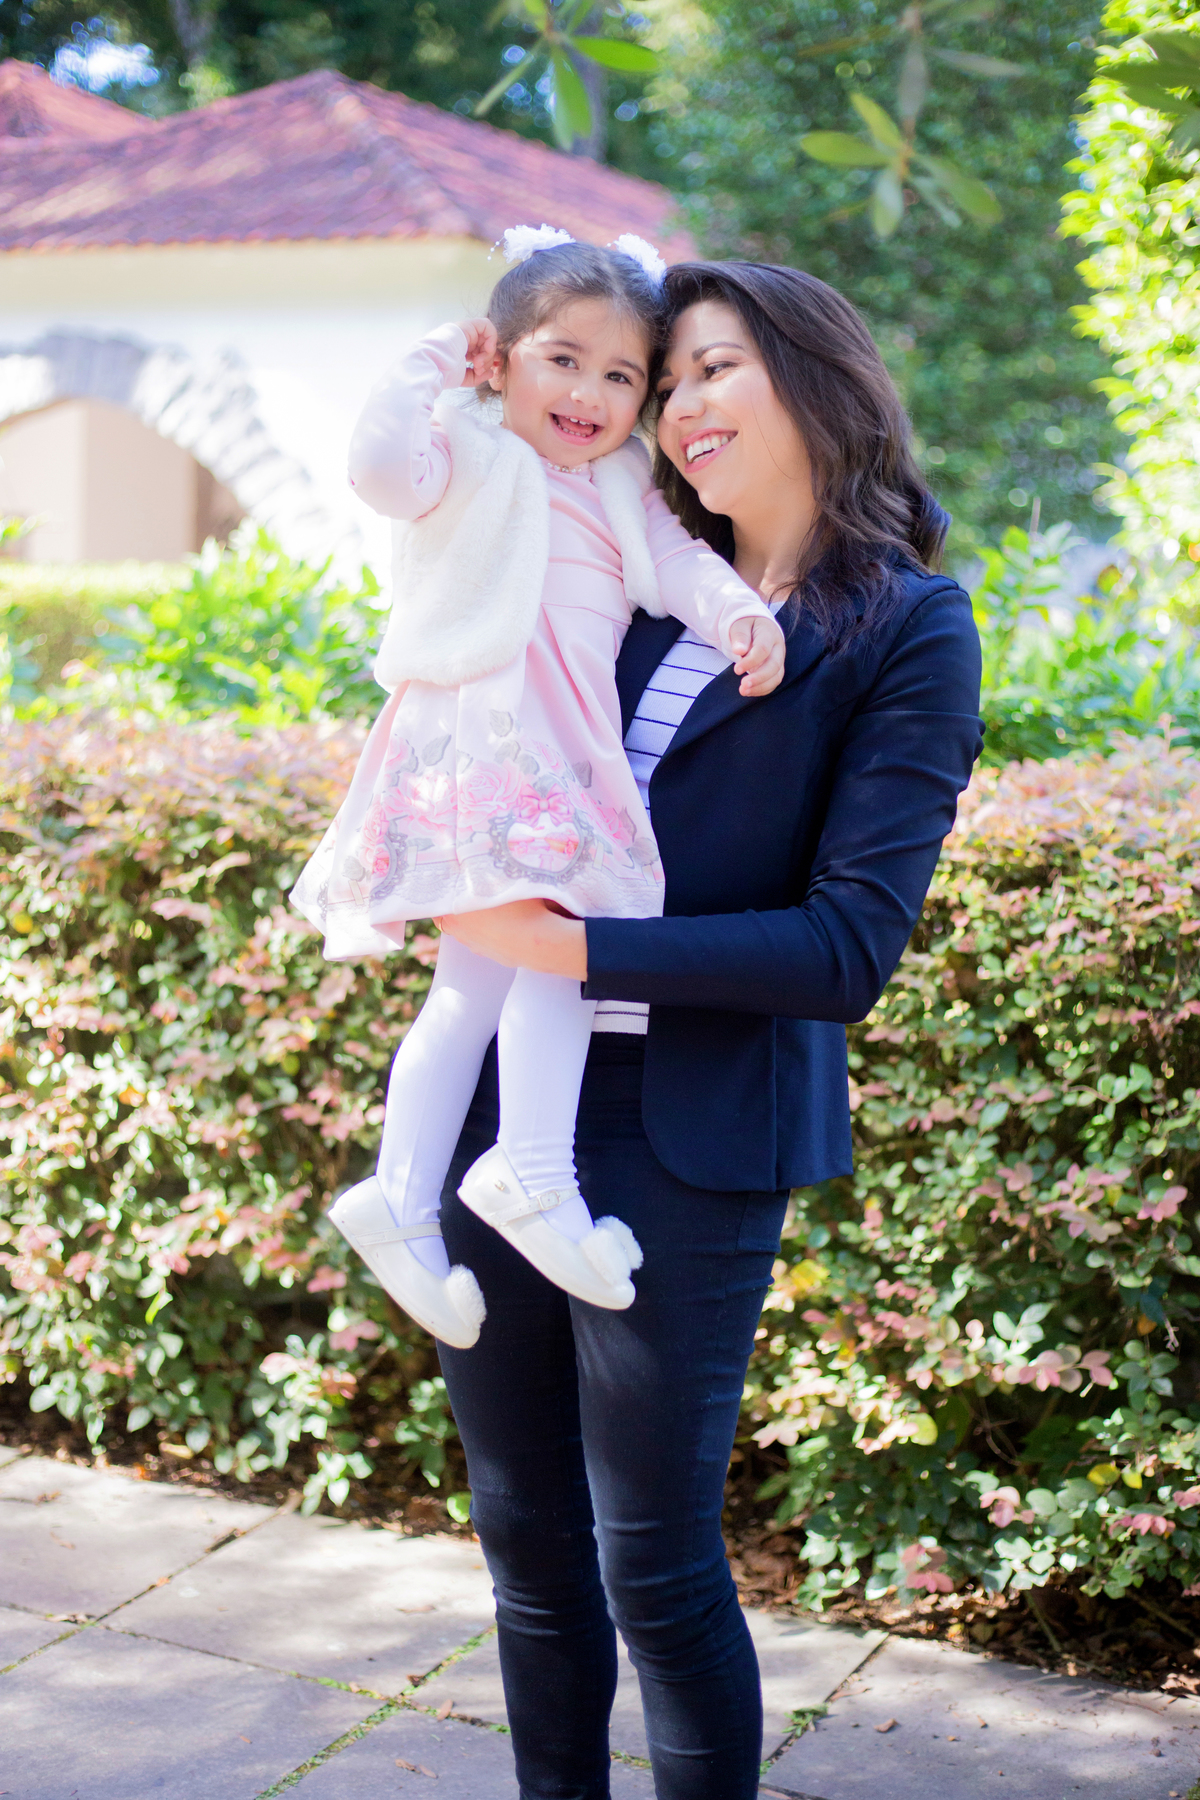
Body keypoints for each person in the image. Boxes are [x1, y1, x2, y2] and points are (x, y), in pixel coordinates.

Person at [427, 259, 984, 1800]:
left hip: (693, 1128)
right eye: (667, 384)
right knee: (526, 1548)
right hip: (505, 1111)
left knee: (653, 1567)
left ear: (818, 382)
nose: (675, 408)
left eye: (713, 369)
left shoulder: (909, 629)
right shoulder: (614, 567)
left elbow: (846, 945)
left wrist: (571, 941)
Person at [291, 229, 785, 1349]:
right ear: (499, 358)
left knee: (481, 986)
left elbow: (686, 569)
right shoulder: (463, 447)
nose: (590, 393)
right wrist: (430, 360)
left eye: (621, 376)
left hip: (562, 764)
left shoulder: (621, 486)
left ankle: (407, 1195)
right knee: (562, 951)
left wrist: (741, 615)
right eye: (562, 359)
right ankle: (528, 1173)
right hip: (482, 744)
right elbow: (376, 470)